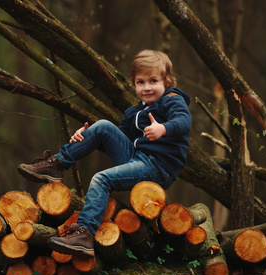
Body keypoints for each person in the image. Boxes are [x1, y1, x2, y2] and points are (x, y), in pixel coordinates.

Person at [17, 49, 192, 258]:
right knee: (101, 127)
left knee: (101, 178)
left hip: (158, 167)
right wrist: (84, 136)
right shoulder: (134, 112)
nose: (147, 87)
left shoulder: (172, 100)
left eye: (153, 81)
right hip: (137, 158)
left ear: (167, 81)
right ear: (133, 84)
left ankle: (84, 234)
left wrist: (163, 129)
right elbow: (114, 139)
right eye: (141, 82)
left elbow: (184, 121)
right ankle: (57, 163)